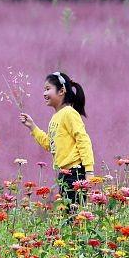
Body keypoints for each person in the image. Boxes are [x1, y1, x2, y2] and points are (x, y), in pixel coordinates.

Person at [19, 71, 94, 207]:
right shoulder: (56, 117)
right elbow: (50, 144)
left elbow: (83, 141)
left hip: (75, 174)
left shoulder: (69, 113)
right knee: (68, 215)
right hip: (64, 175)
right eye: (44, 90)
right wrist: (32, 127)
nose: (44, 93)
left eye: (48, 89)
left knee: (73, 216)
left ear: (61, 91)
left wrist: (89, 171)